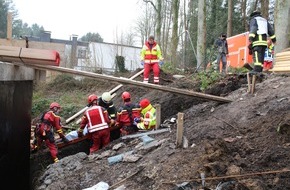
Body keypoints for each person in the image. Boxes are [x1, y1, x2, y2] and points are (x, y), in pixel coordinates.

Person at [248, 10, 276, 74]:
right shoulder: (264, 20)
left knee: (257, 55)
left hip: (257, 41)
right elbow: (270, 31)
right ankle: (260, 70)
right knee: (261, 56)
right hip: (264, 42)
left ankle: (256, 70)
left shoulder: (254, 19)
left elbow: (253, 28)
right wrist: (274, 40)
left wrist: (251, 37)